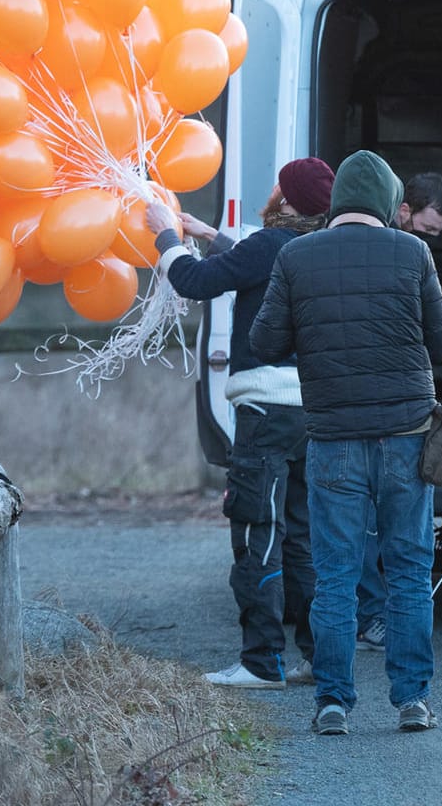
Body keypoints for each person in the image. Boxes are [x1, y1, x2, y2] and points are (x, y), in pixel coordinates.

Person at [250, 150, 442, 736]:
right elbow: (440, 342)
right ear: (391, 203)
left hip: (333, 436)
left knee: (335, 573)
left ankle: (333, 703)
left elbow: (265, 343)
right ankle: (412, 699)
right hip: (406, 437)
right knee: (409, 571)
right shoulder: (413, 252)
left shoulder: (295, 255)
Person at [146, 157, 335, 689]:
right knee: (302, 538)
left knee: (255, 530)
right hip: (313, 415)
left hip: (264, 412)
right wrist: (211, 234)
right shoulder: (316, 248)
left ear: (289, 199)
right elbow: (254, 260)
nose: (272, 190)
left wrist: (166, 237)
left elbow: (195, 280)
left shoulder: (269, 246)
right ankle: (316, 659)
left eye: (280, 185)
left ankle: (261, 663)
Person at [356, 169, 442, 651]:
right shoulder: (409, 256)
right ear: (402, 212)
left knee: (355, 530)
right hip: (398, 413)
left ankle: (360, 632)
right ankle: (392, 636)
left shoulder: (335, 250)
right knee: (399, 538)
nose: (429, 243)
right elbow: (440, 339)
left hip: (347, 412)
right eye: (426, 230)